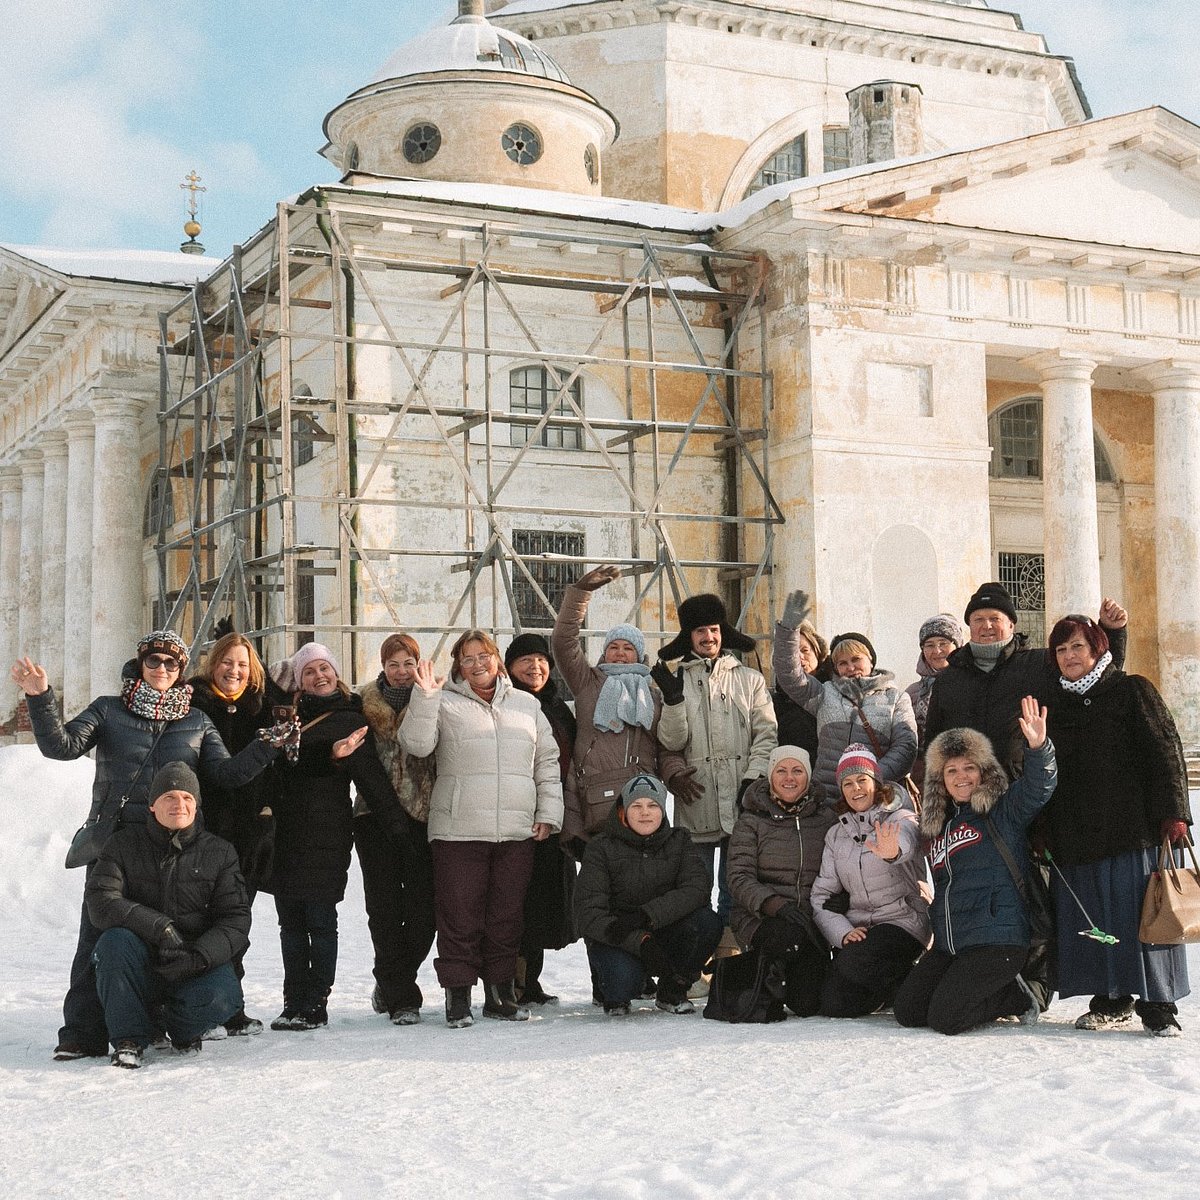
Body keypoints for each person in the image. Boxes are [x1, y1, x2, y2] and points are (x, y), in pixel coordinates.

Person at [13, 630, 282, 1062]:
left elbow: (226, 775)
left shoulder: (196, 720)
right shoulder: (109, 710)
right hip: (117, 844)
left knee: (169, 937)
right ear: (140, 665)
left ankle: (153, 1020)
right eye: (153, 661)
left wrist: (265, 746)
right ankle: (82, 1031)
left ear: (180, 671)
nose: (161, 669)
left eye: (171, 664)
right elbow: (61, 747)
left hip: (174, 847)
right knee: (97, 938)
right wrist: (41, 697)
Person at [399, 629, 564, 1028]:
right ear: (458, 665)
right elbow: (416, 744)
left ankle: (500, 994)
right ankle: (459, 996)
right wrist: (424, 698)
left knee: (506, 915)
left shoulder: (526, 705)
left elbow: (547, 760)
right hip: (458, 830)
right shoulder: (442, 701)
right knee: (459, 915)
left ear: (497, 660)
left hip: (516, 829)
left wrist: (549, 812)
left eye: (484, 656)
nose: (477, 664)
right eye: (468, 658)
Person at [1039, 614, 1192, 1037]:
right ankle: (1111, 998)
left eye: (1078, 647)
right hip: (1077, 834)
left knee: (1141, 915)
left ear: (1098, 650)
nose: (1070, 656)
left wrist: (1175, 813)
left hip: (1133, 828)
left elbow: (1165, 750)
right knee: (1094, 918)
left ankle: (1158, 1005)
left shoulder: (1131, 690)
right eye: (1062, 649)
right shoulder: (1052, 702)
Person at [266, 642, 412, 1032]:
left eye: (324, 668)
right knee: (290, 923)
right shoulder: (288, 718)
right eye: (309, 671)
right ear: (300, 680)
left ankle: (315, 1002)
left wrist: (398, 826)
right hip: (287, 833)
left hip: (326, 833)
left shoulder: (349, 718)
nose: (319, 676)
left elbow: (371, 778)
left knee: (319, 920)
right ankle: (292, 1001)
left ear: (336, 672)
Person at [894, 697, 1056, 1035]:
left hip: (1000, 941)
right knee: (909, 1011)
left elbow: (1039, 787)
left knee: (946, 1019)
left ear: (984, 771)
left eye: (969, 767)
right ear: (942, 779)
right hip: (952, 944)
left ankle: (1021, 993)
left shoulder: (1003, 810)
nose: (961, 776)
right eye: (951, 770)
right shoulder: (938, 826)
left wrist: (1039, 748)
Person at [85, 763, 250, 1069]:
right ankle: (129, 1039)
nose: (179, 805)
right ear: (152, 804)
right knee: (113, 942)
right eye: (170, 797)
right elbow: (101, 901)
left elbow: (235, 920)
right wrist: (158, 927)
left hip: (194, 960)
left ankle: (179, 1028)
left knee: (225, 997)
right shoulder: (122, 845)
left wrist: (198, 957)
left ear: (197, 804)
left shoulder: (220, 852)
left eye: (187, 798)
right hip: (141, 958)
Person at [551, 564, 697, 850]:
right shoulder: (588, 681)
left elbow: (665, 747)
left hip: (642, 798)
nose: (619, 653)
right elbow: (562, 641)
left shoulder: (654, 693)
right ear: (604, 652)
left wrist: (675, 772)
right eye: (613, 647)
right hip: (595, 796)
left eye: (627, 648)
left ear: (639, 654)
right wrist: (581, 593)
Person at [653, 593, 777, 925]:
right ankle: (695, 969)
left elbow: (766, 734)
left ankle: (728, 968)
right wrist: (674, 701)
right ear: (688, 637)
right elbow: (671, 742)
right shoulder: (674, 678)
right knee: (694, 893)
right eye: (700, 632)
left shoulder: (749, 679)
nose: (709, 638)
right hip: (698, 799)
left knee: (734, 894)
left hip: (742, 801)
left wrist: (754, 778)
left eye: (714, 629)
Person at [923, 582, 1127, 780]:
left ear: (1011, 624)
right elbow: (934, 743)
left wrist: (1112, 631)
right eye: (978, 619)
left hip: (1025, 795)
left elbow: (1094, 678)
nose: (987, 626)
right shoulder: (949, 677)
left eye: (995, 618)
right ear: (969, 625)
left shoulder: (1039, 664)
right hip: (965, 794)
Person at [188, 629, 278, 1036]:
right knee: (198, 924)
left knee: (235, 926)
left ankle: (231, 1007)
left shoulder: (263, 710)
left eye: (243, 664)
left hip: (248, 836)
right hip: (201, 832)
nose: (234, 671)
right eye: (227, 662)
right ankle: (198, 1007)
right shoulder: (193, 702)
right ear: (213, 664)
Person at [574, 774, 721, 1015]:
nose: (645, 813)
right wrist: (639, 941)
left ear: (663, 810)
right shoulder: (600, 847)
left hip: (664, 929)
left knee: (707, 923)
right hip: (618, 935)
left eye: (653, 805)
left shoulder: (679, 841)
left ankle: (673, 990)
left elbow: (696, 890)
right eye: (637, 806)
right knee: (621, 986)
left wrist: (647, 915)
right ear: (623, 810)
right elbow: (589, 912)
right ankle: (612, 989)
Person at [810, 745, 930, 1018]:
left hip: (903, 922)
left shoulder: (900, 817)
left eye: (862, 780)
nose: (856, 789)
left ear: (876, 783)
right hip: (860, 928)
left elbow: (908, 843)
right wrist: (841, 932)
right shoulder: (836, 835)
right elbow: (821, 897)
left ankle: (921, 976)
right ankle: (900, 990)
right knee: (833, 1004)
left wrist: (892, 853)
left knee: (852, 962)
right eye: (848, 783)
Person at [358, 633, 438, 1025]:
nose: (402, 672)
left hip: (423, 814)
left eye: (409, 663)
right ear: (383, 667)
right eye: (394, 664)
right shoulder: (364, 703)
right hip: (372, 818)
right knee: (384, 908)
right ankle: (402, 996)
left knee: (425, 909)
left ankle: (391, 980)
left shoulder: (435, 698)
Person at [772, 589, 917, 806]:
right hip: (829, 798)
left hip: (876, 797)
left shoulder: (895, 698)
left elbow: (905, 746)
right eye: (842, 663)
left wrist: (869, 779)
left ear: (871, 660)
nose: (850, 667)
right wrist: (788, 632)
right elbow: (789, 675)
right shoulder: (824, 692)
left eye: (856, 659)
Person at [727, 745, 836, 1017]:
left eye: (798, 770)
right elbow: (739, 877)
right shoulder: (751, 820)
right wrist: (775, 905)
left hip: (809, 920)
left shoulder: (826, 819)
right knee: (786, 937)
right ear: (770, 776)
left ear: (808, 777)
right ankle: (754, 979)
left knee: (808, 1004)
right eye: (782, 770)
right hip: (763, 917)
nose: (790, 778)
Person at [504, 632, 578, 1005]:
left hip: (554, 816)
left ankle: (530, 981)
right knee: (516, 901)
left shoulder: (557, 706)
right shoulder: (507, 704)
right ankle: (512, 982)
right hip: (517, 815)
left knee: (543, 904)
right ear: (509, 668)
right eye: (526, 662)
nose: (536, 668)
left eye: (542, 661)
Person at [904, 614, 963, 788]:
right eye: (929, 645)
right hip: (925, 779)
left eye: (943, 643)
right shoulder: (912, 692)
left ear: (957, 646)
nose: (937, 651)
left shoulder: (970, 683)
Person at [772, 620, 828, 764]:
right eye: (793, 653)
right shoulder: (774, 702)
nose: (799, 657)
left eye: (805, 650)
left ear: (817, 652)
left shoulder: (831, 695)